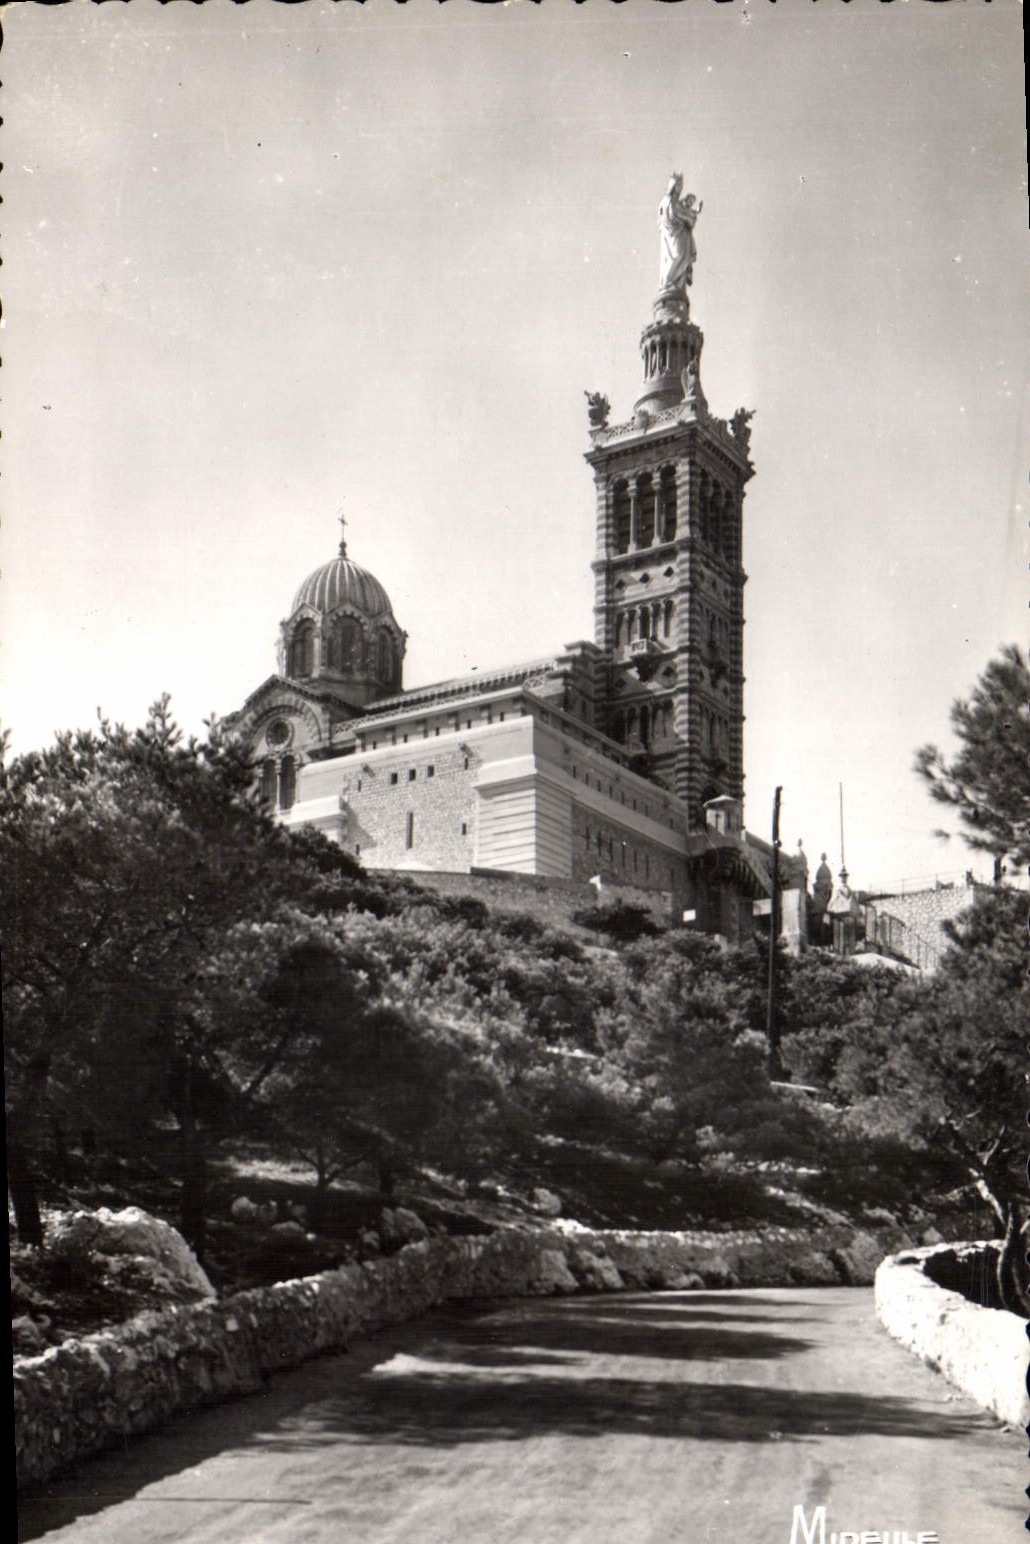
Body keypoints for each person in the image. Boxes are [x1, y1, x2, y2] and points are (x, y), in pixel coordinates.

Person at [658, 174, 702, 295]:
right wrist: (688, 218)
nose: (680, 188)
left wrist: (689, 216)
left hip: (680, 234)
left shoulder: (676, 202)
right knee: (678, 255)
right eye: (678, 185)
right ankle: (667, 284)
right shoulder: (668, 200)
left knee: (681, 257)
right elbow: (673, 214)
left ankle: (675, 285)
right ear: (673, 186)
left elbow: (681, 213)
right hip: (673, 235)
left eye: (681, 185)